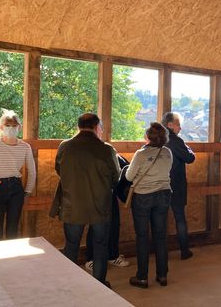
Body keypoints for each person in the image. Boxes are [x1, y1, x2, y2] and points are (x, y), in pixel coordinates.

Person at [55, 113, 119, 287]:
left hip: (72, 204)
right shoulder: (106, 149)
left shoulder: (65, 146)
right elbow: (116, 177)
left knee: (71, 245)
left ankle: (70, 283)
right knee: (100, 246)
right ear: (97, 127)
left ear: (78, 127)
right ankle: (99, 283)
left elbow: (59, 169)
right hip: (100, 205)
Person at [0, 110, 36, 241]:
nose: (11, 128)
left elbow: (32, 172)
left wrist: (27, 192)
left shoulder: (25, 147)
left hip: (16, 188)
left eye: (14, 125)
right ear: (1, 127)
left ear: (19, 127)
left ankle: (11, 260)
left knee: (13, 229)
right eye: (8, 125)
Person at [126, 122, 173, 289]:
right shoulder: (167, 152)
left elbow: (130, 176)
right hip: (164, 194)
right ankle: (162, 275)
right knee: (160, 236)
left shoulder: (140, 154)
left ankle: (142, 277)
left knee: (142, 237)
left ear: (148, 137)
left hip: (143, 197)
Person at [85, 154, 131, 272]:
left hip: (110, 194)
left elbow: (126, 174)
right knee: (95, 226)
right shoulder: (92, 156)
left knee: (114, 224)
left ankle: (112, 255)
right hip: (94, 194)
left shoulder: (116, 156)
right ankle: (91, 259)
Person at [162, 112, 196, 260]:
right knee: (180, 218)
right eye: (178, 124)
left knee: (160, 219)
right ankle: (184, 251)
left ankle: (160, 251)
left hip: (160, 185)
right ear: (170, 125)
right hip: (177, 185)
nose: (180, 128)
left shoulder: (158, 139)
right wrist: (188, 147)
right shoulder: (176, 141)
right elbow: (190, 158)